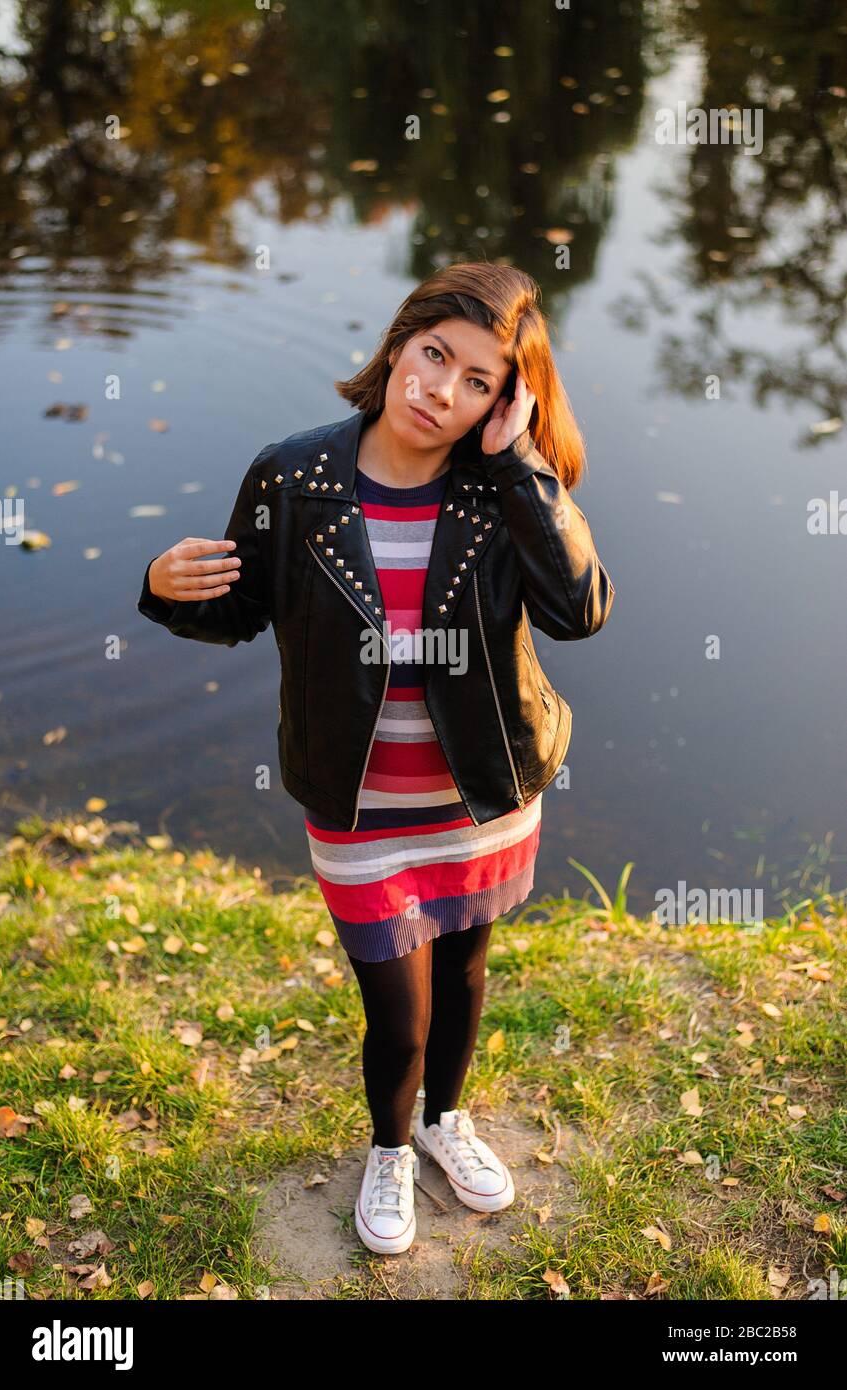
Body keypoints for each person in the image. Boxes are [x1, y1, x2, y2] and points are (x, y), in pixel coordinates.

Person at [137, 261, 615, 1257]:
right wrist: (161, 586)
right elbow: (237, 610)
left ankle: (447, 1120)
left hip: (482, 794)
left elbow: (579, 609)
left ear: (505, 399)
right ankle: (391, 1146)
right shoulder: (295, 475)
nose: (441, 388)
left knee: (467, 970)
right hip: (358, 809)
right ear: (400, 343)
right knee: (397, 1011)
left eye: (478, 379)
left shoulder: (503, 491)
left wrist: (521, 460)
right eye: (435, 354)